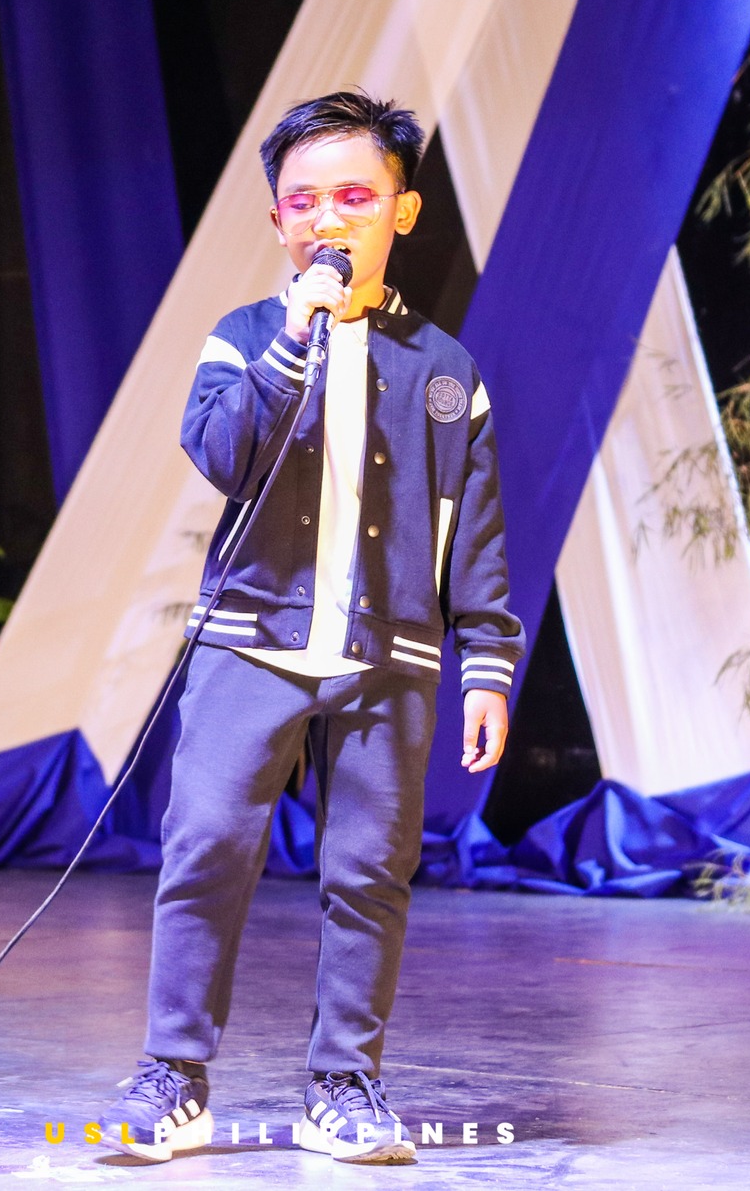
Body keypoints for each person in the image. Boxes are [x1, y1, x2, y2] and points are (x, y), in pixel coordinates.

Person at [102, 91, 524, 1165]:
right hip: (249, 643)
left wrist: (487, 663)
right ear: (277, 219)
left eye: (354, 197)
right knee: (205, 845)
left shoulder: (445, 370)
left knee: (369, 871)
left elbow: (472, 530)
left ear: (402, 211)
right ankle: (173, 1076)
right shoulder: (245, 337)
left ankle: (342, 1083)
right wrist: (296, 337)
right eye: (302, 201)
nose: (327, 219)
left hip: (391, 656)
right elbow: (221, 455)